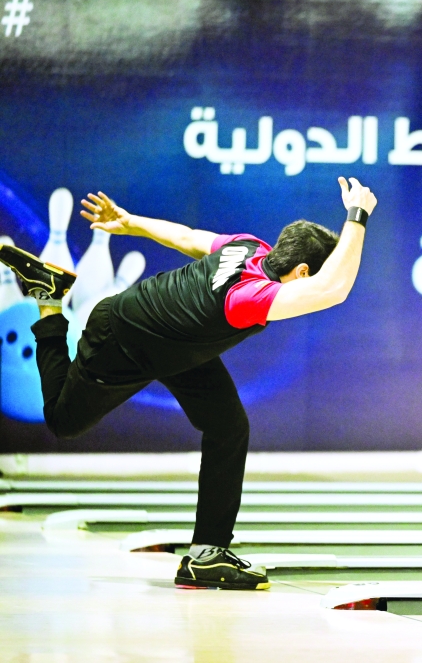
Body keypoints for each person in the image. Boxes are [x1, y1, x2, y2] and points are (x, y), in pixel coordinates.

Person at [0, 177, 377, 590]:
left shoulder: (250, 248)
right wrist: (357, 215)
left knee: (228, 426)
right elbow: (333, 288)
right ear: (301, 271)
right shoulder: (250, 297)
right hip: (123, 339)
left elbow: (187, 237)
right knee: (63, 420)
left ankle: (206, 555)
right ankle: (50, 301)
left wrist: (132, 222)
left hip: (175, 342)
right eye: (309, 279)